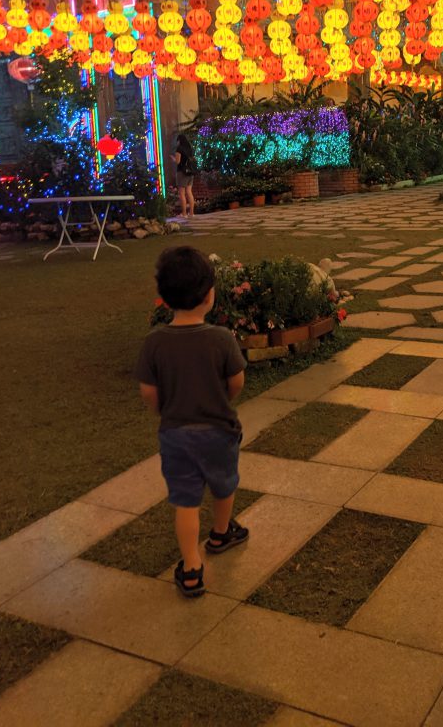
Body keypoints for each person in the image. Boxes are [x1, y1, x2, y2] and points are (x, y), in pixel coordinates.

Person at [136, 247, 249, 598]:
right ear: (209, 295)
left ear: (164, 297)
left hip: (175, 434)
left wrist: (165, 410)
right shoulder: (221, 338)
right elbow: (237, 382)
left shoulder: (155, 342)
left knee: (184, 501)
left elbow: (148, 391)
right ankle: (219, 532)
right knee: (224, 484)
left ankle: (191, 567)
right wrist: (221, 401)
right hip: (219, 431)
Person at [173, 133, 197, 219]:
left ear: (179, 140)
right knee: (189, 192)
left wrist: (174, 159)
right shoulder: (189, 148)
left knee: (182, 194)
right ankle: (191, 213)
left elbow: (178, 162)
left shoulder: (179, 149)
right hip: (190, 172)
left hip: (182, 172)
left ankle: (184, 213)